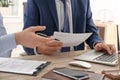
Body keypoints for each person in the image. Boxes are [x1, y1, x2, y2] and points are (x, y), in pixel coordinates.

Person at [23, 0, 116, 55]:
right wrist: (38, 49)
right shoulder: (36, 1)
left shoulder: (84, 1)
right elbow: (26, 40)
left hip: (77, 60)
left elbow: (90, 30)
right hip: (48, 59)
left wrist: (98, 43)